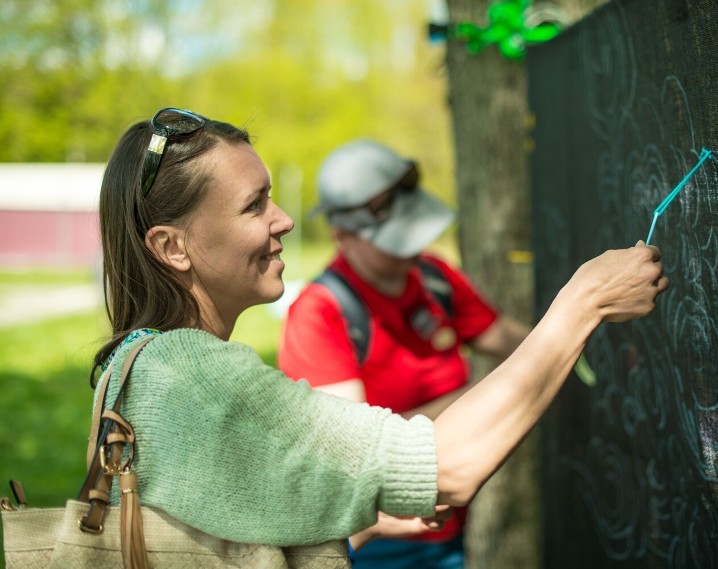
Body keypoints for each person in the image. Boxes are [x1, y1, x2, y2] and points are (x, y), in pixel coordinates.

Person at [93, 107, 668, 567]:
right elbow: (446, 467)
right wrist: (582, 302)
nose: (286, 219)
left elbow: (235, 542)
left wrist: (367, 514)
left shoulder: (135, 363)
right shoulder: (199, 375)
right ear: (172, 247)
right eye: (254, 205)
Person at [278, 139, 532, 568]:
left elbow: (514, 340)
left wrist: (579, 334)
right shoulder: (320, 314)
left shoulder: (435, 279)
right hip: (381, 537)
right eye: (395, 241)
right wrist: (483, 394)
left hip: (449, 524)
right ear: (342, 233)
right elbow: (356, 450)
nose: (411, 249)